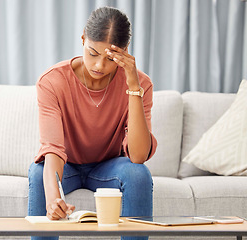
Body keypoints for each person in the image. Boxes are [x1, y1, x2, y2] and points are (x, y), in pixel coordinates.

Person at [28, 6, 157, 240]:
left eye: (109, 58)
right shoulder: (53, 81)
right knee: (39, 174)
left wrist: (133, 87)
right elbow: (53, 149)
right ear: (83, 39)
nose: (99, 66)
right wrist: (52, 199)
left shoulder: (141, 85)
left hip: (109, 167)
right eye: (93, 53)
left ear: (125, 52)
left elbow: (137, 156)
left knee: (139, 174)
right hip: (67, 165)